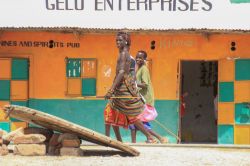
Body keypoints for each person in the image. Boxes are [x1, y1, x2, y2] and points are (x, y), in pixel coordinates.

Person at [104, 31, 156, 143]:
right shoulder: (125, 54)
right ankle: (115, 140)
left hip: (123, 89)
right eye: (116, 40)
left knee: (129, 116)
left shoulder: (124, 54)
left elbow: (122, 72)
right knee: (111, 112)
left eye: (120, 40)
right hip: (122, 88)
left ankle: (149, 137)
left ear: (126, 41)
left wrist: (111, 90)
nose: (117, 42)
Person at [129, 50, 168, 144]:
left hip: (145, 99)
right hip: (140, 98)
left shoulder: (144, 69)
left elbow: (145, 84)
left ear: (144, 59)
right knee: (136, 122)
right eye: (137, 57)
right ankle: (135, 142)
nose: (138, 59)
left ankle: (154, 138)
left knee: (135, 120)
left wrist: (134, 84)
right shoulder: (139, 69)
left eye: (140, 58)